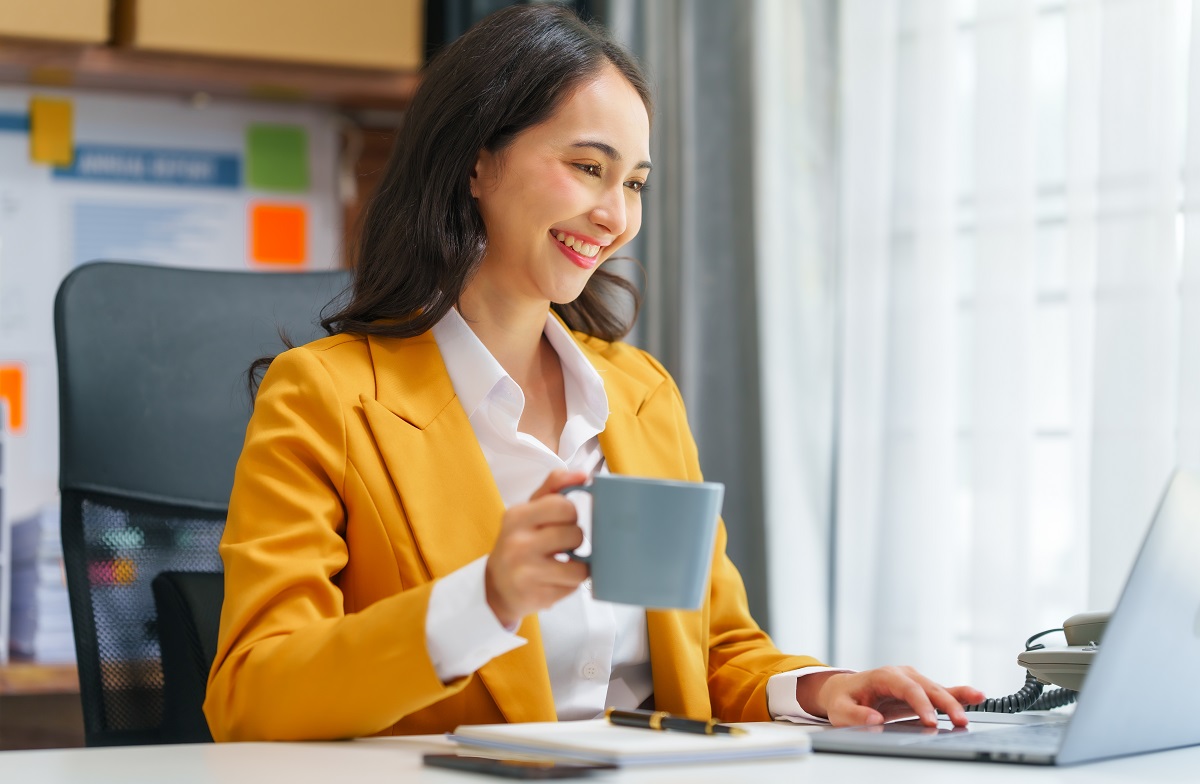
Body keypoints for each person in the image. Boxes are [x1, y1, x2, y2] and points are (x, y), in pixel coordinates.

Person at [203, 4, 984, 742]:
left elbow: (713, 651)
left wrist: (818, 689)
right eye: (587, 167)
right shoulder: (326, 398)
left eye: (635, 183)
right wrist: (487, 599)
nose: (617, 216)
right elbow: (251, 694)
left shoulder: (641, 396)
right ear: (476, 164)